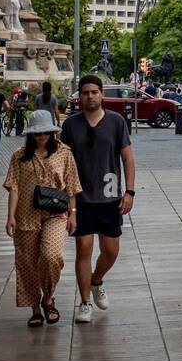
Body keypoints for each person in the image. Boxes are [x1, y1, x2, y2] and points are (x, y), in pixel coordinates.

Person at [59, 75, 136, 324]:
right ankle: (84, 302)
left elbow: (127, 157)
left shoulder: (116, 122)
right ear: (79, 96)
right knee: (83, 249)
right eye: (85, 92)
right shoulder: (71, 125)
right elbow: (63, 161)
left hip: (110, 196)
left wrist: (130, 191)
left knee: (111, 251)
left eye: (94, 92)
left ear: (101, 94)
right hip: (80, 198)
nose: (90, 96)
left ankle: (96, 280)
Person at [4, 110, 81, 327]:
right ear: (30, 134)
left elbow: (72, 185)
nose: (42, 137)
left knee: (51, 256)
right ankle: (35, 308)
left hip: (56, 214)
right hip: (26, 215)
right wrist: (10, 216)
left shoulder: (64, 152)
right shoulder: (19, 156)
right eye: (37, 133)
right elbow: (14, 186)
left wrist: (73, 214)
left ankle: (48, 297)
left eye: (46, 132)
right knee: (27, 263)